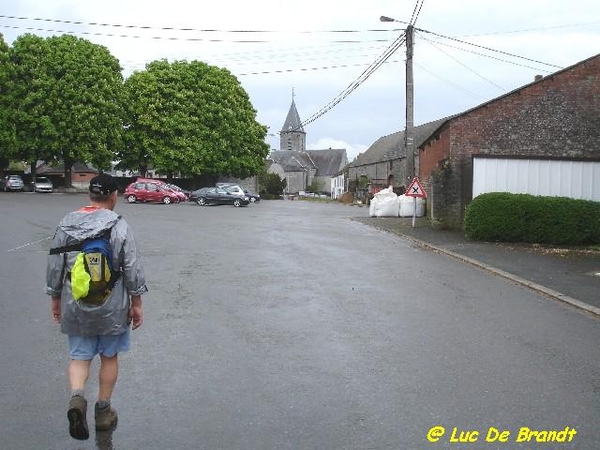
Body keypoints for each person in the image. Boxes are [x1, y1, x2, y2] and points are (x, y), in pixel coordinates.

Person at [45, 174, 148, 440]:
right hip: (112, 305)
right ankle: (103, 411)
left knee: (79, 357)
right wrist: (136, 304)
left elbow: (55, 266)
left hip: (75, 304)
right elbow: (132, 269)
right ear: (114, 196)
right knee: (109, 357)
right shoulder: (119, 226)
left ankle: (77, 398)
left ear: (90, 195)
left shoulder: (66, 223)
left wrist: (55, 299)